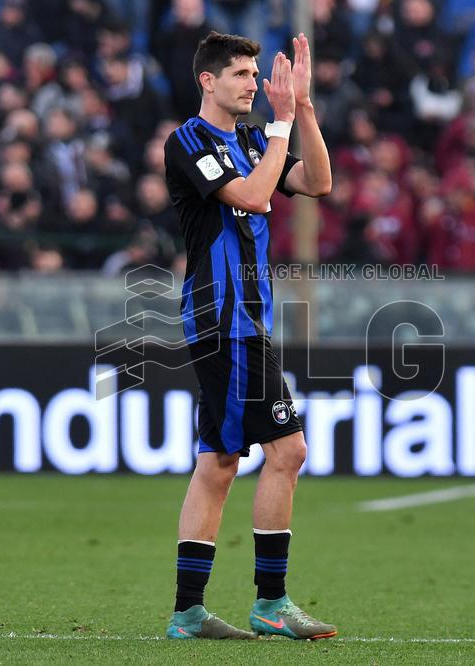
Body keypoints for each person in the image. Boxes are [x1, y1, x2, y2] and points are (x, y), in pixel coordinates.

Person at [162, 31, 334, 641]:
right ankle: (271, 604)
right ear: (207, 80)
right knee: (287, 451)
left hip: (245, 320)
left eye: (256, 73)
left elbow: (317, 183)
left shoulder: (257, 139)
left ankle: (187, 612)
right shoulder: (188, 141)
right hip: (221, 320)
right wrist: (283, 122)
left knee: (218, 462)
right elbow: (255, 198)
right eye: (240, 73)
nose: (252, 83)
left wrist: (303, 109)